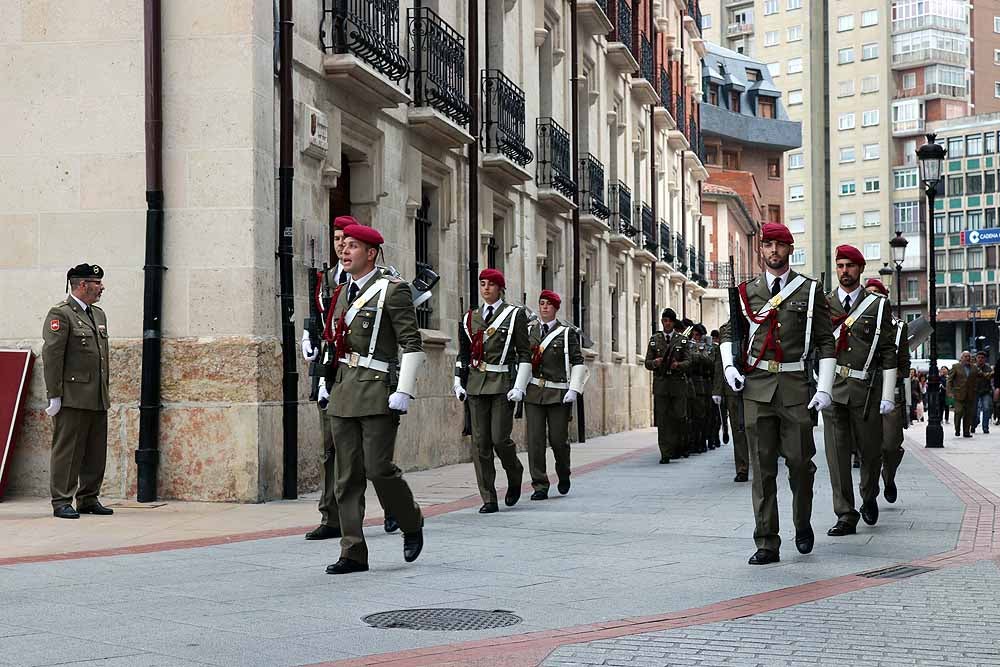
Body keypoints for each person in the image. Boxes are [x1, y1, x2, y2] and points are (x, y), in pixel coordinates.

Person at [721, 223, 836, 564]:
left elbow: (825, 341)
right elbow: (731, 331)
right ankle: (767, 541)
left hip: (795, 388)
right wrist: (730, 367)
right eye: (768, 245)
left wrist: (825, 387)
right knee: (763, 468)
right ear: (761, 250)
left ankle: (802, 524)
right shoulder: (746, 292)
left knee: (801, 464)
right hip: (757, 389)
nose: (774, 251)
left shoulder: (809, 291)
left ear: (790, 249)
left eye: (780, 245)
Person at [322, 224, 425, 574]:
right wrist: (325, 380)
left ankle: (411, 522)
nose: (345, 251)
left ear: (371, 253)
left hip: (378, 389)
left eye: (353, 246)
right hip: (343, 388)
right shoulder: (340, 293)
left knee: (378, 469)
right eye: (343, 245)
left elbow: (412, 343)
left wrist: (404, 390)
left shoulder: (392, 291)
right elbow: (335, 341)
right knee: (346, 475)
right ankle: (352, 551)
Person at [302, 216, 398, 541]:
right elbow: (320, 316)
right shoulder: (327, 279)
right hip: (332, 371)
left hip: (370, 378)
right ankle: (331, 517)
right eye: (338, 239)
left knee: (373, 459)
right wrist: (307, 335)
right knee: (332, 450)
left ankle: (392, 509)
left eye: (347, 239)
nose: (341, 245)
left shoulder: (383, 281)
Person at [823, 246, 897, 537]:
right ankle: (845, 513)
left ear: (860, 269)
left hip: (866, 390)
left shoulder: (877, 305)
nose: (844, 271)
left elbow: (889, 351)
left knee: (870, 451)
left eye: (850, 266)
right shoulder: (825, 304)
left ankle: (868, 494)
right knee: (836, 455)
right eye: (840, 265)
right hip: (833, 390)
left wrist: (888, 395)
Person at [454, 269, 531, 513]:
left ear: (500, 288)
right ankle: (488, 497)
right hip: (476, 384)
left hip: (502, 383)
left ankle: (514, 471)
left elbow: (524, 353)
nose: (486, 288)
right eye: (483, 284)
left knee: (500, 439)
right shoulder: (469, 318)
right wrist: (458, 380)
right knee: (480, 444)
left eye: (491, 284)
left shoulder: (514, 315)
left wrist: (519, 386)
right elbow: (463, 354)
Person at [42, 263, 114, 519]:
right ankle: (61, 500)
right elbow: (52, 356)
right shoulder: (61, 314)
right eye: (97, 284)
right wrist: (55, 394)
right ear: (82, 285)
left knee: (95, 452)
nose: (101, 287)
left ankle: (88, 498)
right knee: (68, 451)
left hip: (96, 395)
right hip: (72, 396)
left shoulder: (98, 314)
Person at [524, 290, 588, 500]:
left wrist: (574, 389)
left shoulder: (567, 333)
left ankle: (563, 472)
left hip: (558, 392)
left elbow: (578, 361)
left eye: (548, 304)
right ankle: (539, 485)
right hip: (533, 392)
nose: (544, 307)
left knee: (558, 440)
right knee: (534, 440)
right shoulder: (530, 332)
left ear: (555, 308)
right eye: (541, 303)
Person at [865, 279, 909, 505]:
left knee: (891, 444)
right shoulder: (859, 322)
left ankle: (888, 476)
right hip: (864, 391)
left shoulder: (899, 327)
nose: (872, 298)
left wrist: (892, 375)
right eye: (868, 293)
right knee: (869, 447)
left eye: (877, 294)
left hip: (889, 390)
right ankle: (869, 494)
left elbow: (904, 363)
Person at [644, 308, 691, 464]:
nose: (667, 323)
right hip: (662, 384)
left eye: (670, 321)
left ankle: (676, 446)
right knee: (663, 419)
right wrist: (655, 363)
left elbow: (689, 362)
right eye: (665, 320)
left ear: (673, 322)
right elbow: (647, 363)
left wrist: (678, 365)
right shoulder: (655, 339)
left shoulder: (682, 340)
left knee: (678, 417)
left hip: (678, 384)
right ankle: (665, 452)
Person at [713, 342, 748, 482]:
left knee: (757, 428)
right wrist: (717, 391)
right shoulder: (726, 331)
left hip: (756, 387)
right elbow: (720, 366)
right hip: (732, 390)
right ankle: (742, 469)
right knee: (738, 431)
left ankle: (762, 465)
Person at [948, 352, 981, 439]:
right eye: (966, 356)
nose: (968, 358)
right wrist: (950, 392)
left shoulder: (974, 368)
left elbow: (981, 375)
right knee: (958, 412)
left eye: (969, 357)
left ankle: (966, 432)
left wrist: (992, 374)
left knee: (968, 414)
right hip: (959, 394)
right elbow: (949, 380)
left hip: (970, 394)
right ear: (961, 358)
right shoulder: (956, 366)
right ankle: (957, 429)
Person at [973, 351, 993, 435]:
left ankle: (985, 427)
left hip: (985, 391)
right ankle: (974, 424)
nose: (980, 359)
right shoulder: (973, 367)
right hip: (975, 391)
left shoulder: (988, 367)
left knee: (986, 408)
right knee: (975, 410)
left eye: (982, 358)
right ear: (976, 358)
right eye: (979, 357)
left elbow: (990, 376)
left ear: (985, 359)